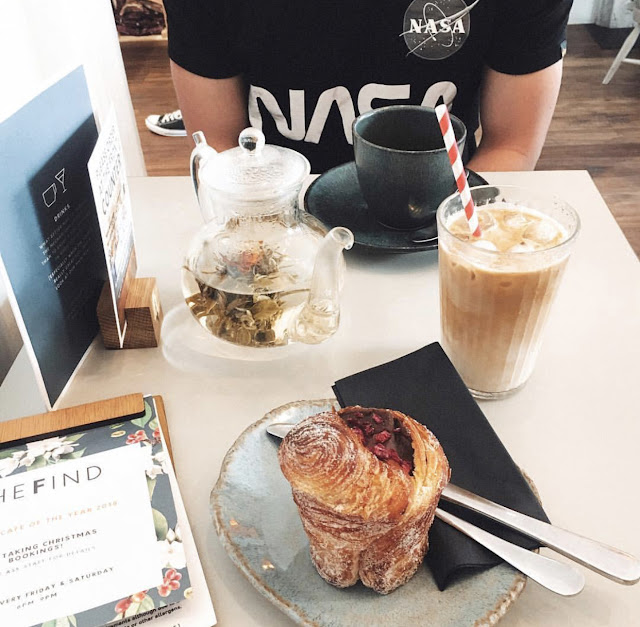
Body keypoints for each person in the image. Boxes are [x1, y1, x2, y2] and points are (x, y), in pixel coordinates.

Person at [162, 0, 573, 174]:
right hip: (275, 220)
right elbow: (218, 147)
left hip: (442, 219)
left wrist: (450, 231)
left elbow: (512, 145)